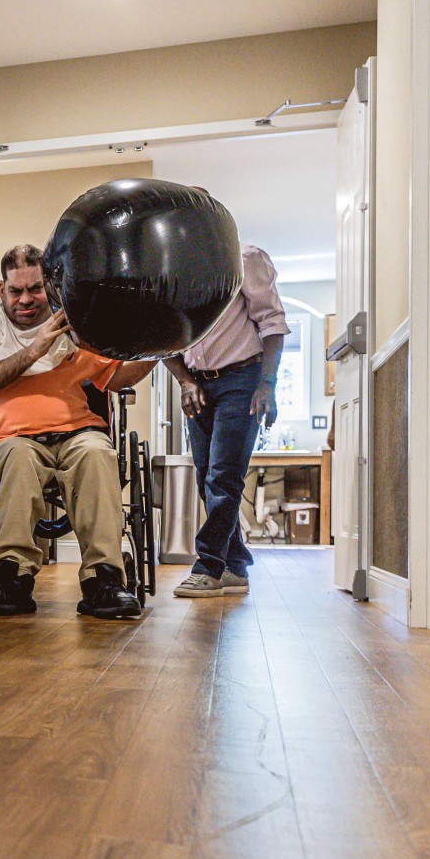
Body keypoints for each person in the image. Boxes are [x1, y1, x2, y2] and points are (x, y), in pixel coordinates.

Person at [0, 245, 153, 619]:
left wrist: (157, 348)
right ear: (1, 290)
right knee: (17, 459)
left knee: (97, 453)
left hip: (76, 432)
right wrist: (35, 349)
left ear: (49, 285)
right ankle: (9, 577)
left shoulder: (75, 323)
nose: (27, 299)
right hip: (11, 438)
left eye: (35, 288)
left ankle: (105, 580)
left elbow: (117, 377)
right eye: (16, 291)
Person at [160, 242, 289, 598]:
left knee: (223, 477)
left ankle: (209, 566)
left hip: (242, 379)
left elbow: (272, 323)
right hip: (198, 381)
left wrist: (267, 384)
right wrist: (185, 381)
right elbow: (162, 339)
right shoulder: (167, 267)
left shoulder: (243, 258)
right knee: (206, 478)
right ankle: (235, 563)